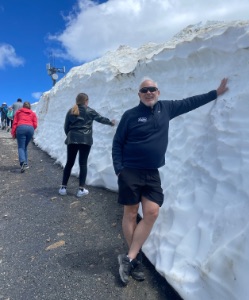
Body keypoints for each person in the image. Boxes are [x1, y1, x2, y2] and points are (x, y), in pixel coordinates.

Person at [112, 77, 229, 285]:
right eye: (145, 90)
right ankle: (134, 260)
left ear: (159, 92)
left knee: (152, 212)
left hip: (151, 172)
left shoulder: (166, 108)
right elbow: (117, 143)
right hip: (130, 171)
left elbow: (190, 102)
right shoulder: (130, 115)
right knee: (130, 214)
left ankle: (128, 259)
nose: (149, 93)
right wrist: (120, 170)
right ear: (139, 94)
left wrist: (215, 93)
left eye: (153, 89)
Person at [59, 92, 116, 198]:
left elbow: (66, 126)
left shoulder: (71, 111)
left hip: (72, 139)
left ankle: (63, 188)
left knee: (69, 163)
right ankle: (80, 189)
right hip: (85, 140)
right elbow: (100, 118)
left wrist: (70, 136)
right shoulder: (90, 110)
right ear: (86, 101)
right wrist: (111, 123)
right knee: (83, 164)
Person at [11, 102, 38, 173]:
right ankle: (26, 164)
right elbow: (35, 124)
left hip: (21, 128)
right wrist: (31, 129)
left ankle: (23, 162)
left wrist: (13, 133)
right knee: (24, 147)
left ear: (23, 107)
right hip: (30, 129)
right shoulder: (33, 113)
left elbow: (15, 123)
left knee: (21, 147)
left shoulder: (18, 112)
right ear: (29, 107)